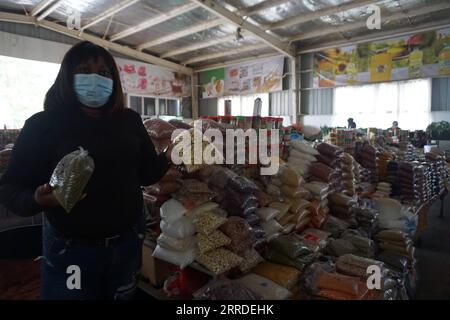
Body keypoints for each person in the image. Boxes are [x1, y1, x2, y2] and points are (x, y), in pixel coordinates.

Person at [0, 41, 171, 300]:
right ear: (67, 78)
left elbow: (146, 174)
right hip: (71, 250)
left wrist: (171, 155)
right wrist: (36, 199)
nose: (95, 79)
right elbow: (11, 189)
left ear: (113, 80)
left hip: (127, 243)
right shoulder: (43, 125)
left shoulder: (129, 120)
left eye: (104, 73)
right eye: (84, 70)